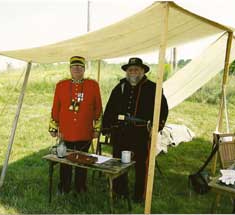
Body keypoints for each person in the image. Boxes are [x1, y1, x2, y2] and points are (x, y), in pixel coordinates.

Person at [102, 57, 168, 202]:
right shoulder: (120, 87)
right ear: (127, 72)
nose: (133, 72)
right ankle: (120, 191)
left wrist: (156, 127)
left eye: (136, 69)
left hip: (141, 133)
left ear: (143, 71)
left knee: (141, 166)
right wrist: (106, 127)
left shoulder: (153, 88)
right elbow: (110, 107)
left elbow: (163, 110)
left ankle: (139, 195)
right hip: (121, 132)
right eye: (130, 70)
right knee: (118, 162)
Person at [49, 56, 102, 193]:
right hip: (66, 131)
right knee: (64, 160)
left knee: (83, 161)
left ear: (84, 69)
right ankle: (64, 187)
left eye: (80, 67)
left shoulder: (93, 85)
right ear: (70, 69)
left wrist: (96, 129)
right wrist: (53, 127)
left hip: (85, 131)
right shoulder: (61, 85)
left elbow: (98, 109)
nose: (77, 69)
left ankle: (80, 187)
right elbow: (56, 107)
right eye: (74, 67)